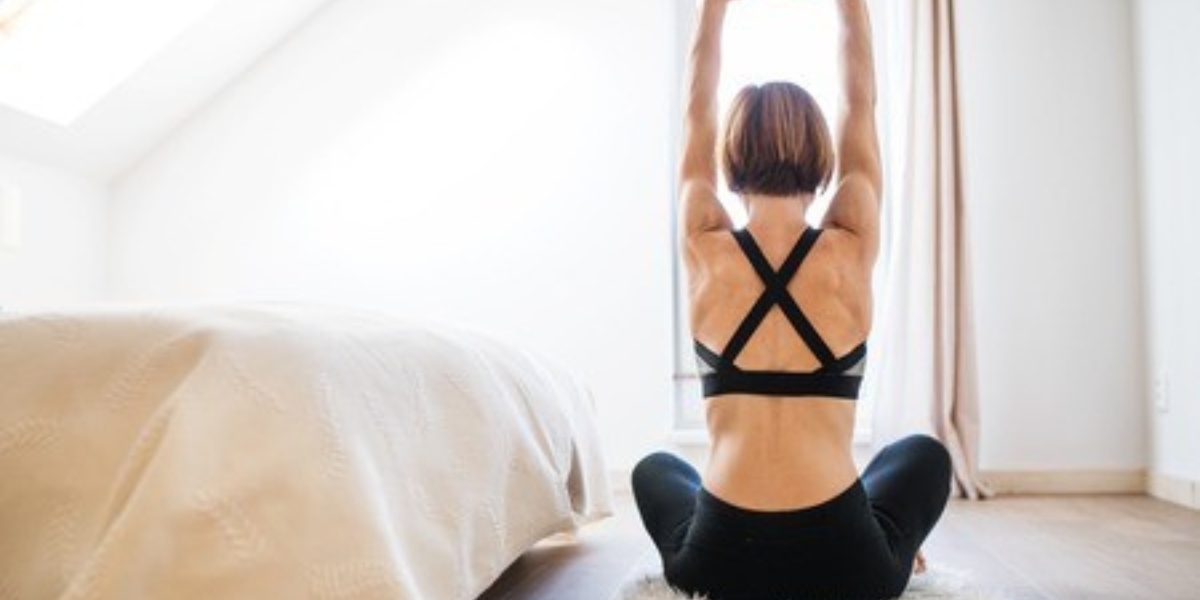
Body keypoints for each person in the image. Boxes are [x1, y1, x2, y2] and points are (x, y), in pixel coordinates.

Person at [630, 1, 953, 599]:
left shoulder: (703, 242)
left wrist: (713, 9)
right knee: (924, 456)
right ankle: (894, 546)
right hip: (848, 564)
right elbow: (860, 101)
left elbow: (696, 106)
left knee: (656, 471)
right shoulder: (851, 241)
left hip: (718, 563)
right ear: (821, 153)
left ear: (730, 154)